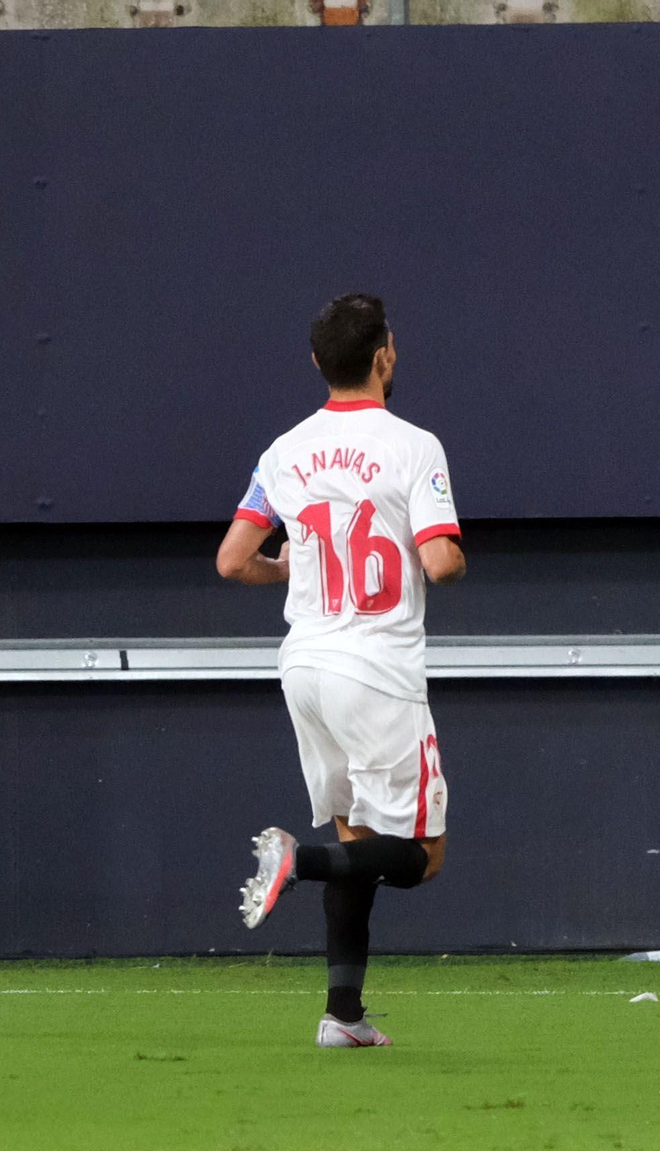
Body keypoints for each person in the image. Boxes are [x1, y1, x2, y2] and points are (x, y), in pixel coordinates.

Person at [217, 293, 466, 1045]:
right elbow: (439, 559)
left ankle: (343, 1016)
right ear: (385, 352)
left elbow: (232, 559)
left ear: (318, 362)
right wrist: (451, 560)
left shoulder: (284, 450)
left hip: (305, 666)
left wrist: (288, 567)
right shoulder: (414, 445)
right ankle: (300, 861)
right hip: (377, 671)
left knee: (357, 834)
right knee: (421, 857)